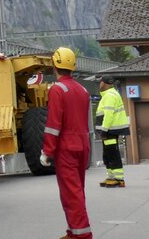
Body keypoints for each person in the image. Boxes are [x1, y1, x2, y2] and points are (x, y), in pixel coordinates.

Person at [41, 47, 92, 239]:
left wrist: (47, 151)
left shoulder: (57, 89)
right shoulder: (83, 90)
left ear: (54, 65)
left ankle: (81, 235)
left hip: (66, 147)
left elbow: (53, 125)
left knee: (71, 193)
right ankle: (74, 231)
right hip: (83, 145)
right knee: (77, 190)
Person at [94, 76, 130, 187]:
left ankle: (118, 178)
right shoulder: (110, 94)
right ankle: (111, 176)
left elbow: (108, 115)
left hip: (110, 129)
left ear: (103, 83)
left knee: (112, 153)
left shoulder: (109, 95)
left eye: (100, 83)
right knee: (108, 153)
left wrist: (104, 130)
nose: (100, 85)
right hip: (110, 129)